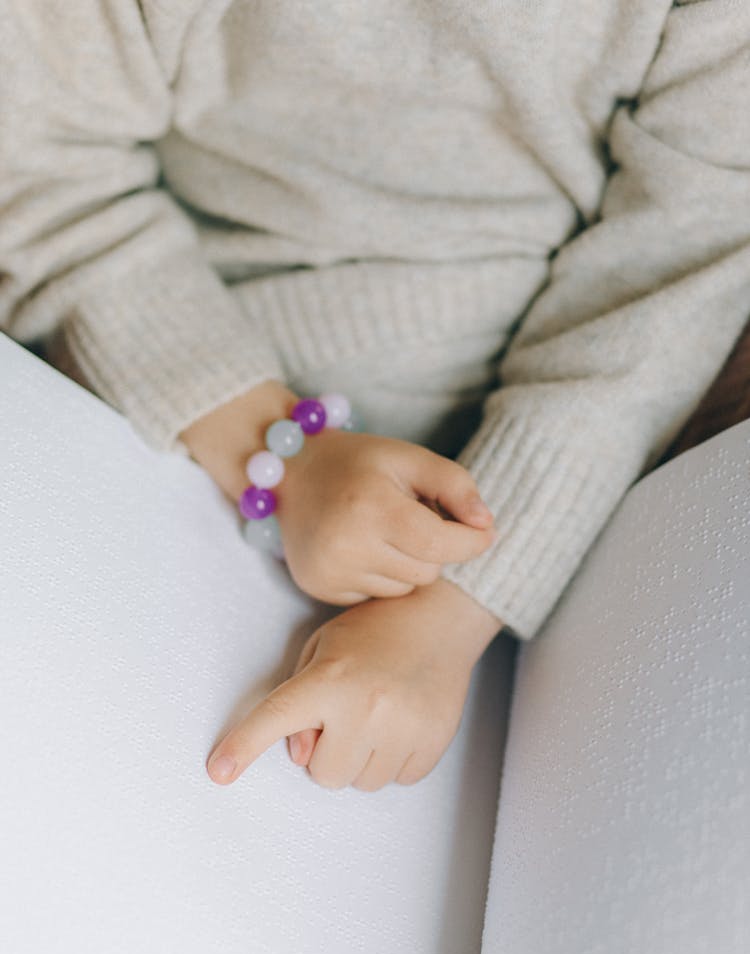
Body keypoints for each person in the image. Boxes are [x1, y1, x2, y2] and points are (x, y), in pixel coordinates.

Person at [1, 1, 749, 791]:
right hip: (165, 411)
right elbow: (45, 174)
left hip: (559, 516)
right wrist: (278, 453)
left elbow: (675, 277)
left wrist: (453, 611)